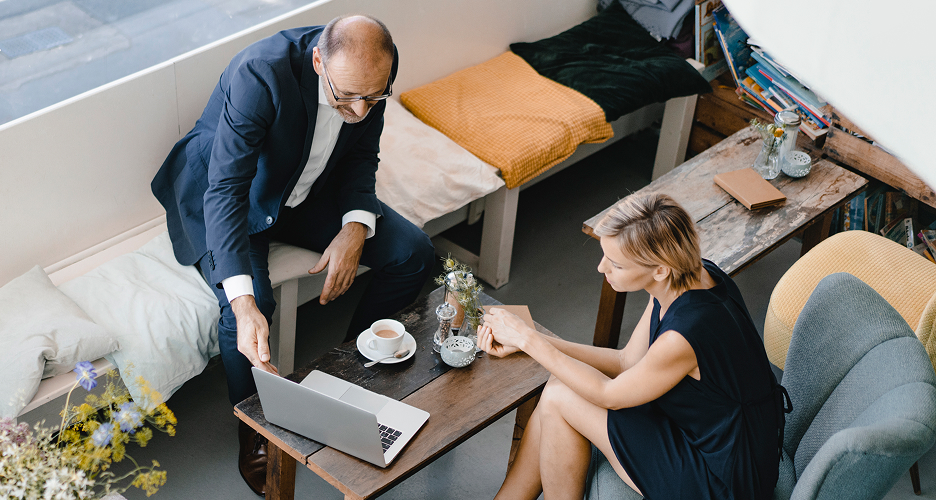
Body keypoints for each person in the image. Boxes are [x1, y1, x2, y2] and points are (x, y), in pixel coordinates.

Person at [150, 14, 435, 495]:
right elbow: (225, 189)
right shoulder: (259, 74)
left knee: (414, 253)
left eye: (374, 97)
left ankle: (350, 380)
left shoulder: (372, 70)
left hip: (307, 187)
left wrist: (354, 226)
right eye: (347, 97)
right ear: (319, 61)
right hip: (229, 196)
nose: (362, 110)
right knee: (250, 307)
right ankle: (256, 431)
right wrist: (241, 302)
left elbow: (363, 153)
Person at [477, 193, 787, 500]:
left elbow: (608, 395)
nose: (602, 269)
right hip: (703, 438)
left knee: (559, 396)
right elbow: (626, 361)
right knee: (560, 388)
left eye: (615, 264)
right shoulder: (687, 276)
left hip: (722, 481)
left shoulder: (684, 336)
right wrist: (533, 341)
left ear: (659, 269)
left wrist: (529, 340)